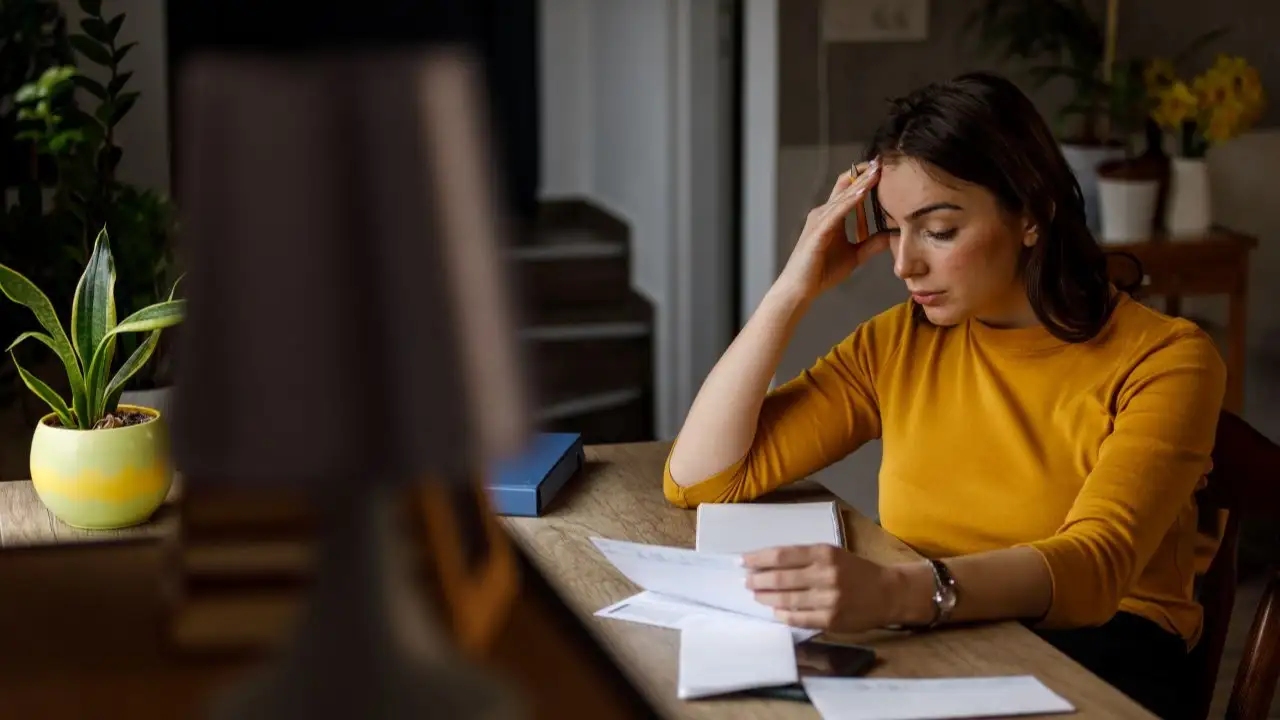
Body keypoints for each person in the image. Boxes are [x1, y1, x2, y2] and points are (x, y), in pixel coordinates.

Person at [662, 72, 1224, 720]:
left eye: (939, 229)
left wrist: (898, 595)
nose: (904, 264)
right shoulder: (899, 343)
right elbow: (701, 479)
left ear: (1032, 214)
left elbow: (1094, 568)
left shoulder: (1167, 358)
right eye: (895, 229)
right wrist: (792, 289)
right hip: (938, 635)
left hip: (1105, 661)